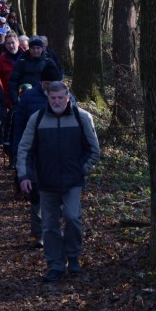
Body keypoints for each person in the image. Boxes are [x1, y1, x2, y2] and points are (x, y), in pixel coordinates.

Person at [17, 81, 100, 283]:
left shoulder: (81, 118)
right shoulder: (37, 119)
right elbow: (24, 150)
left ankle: (73, 257)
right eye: (53, 98)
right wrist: (24, 176)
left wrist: (80, 170)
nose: (56, 101)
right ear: (48, 98)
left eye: (60, 98)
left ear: (67, 97)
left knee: (72, 217)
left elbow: (93, 150)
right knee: (49, 226)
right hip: (46, 181)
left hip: (72, 181)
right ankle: (55, 264)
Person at [11, 64, 75, 247]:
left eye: (54, 83)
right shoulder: (29, 98)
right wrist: (18, 155)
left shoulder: (68, 98)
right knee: (37, 198)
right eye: (47, 83)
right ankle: (39, 234)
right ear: (41, 82)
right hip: (36, 157)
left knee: (62, 202)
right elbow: (20, 125)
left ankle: (59, 233)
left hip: (62, 159)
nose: (50, 87)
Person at [8, 37, 58, 108]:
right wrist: (15, 100)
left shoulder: (49, 62)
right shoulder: (21, 62)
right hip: (24, 98)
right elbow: (13, 82)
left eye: (38, 48)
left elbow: (57, 81)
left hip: (44, 99)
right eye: (33, 48)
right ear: (29, 49)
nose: (36, 50)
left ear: (42, 48)